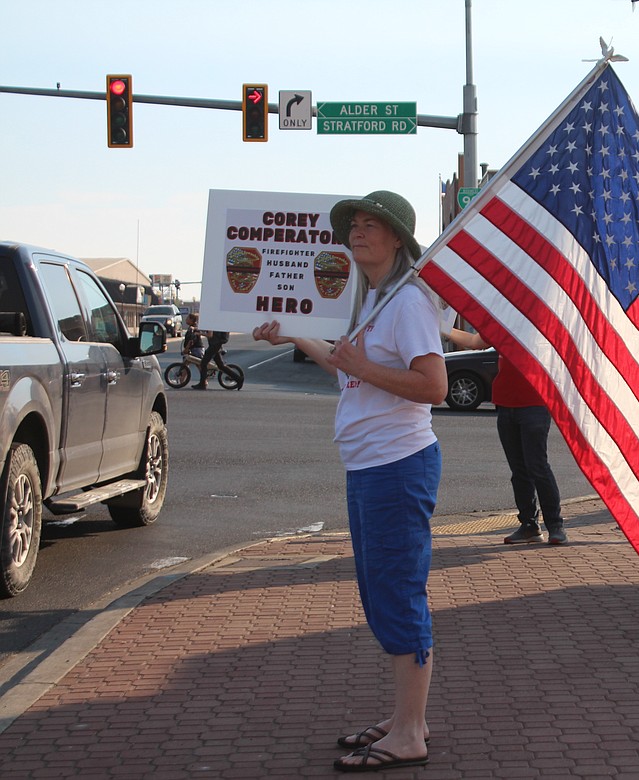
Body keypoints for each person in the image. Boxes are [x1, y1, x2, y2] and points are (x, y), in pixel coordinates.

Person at [252, 191, 445, 773]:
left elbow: (433, 386)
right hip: (369, 466)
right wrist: (292, 338)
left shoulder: (408, 301)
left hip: (396, 466)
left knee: (397, 592)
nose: (358, 233)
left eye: (371, 225)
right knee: (383, 591)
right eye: (354, 225)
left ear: (396, 238)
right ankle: (409, 716)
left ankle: (410, 733)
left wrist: (360, 366)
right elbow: (346, 367)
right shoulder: (373, 298)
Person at [444, 327, 567, 545]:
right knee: (519, 470)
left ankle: (555, 526)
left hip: (534, 404)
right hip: (506, 404)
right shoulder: (503, 322)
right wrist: (443, 327)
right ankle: (529, 526)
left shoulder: (540, 324)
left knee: (537, 466)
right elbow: (474, 341)